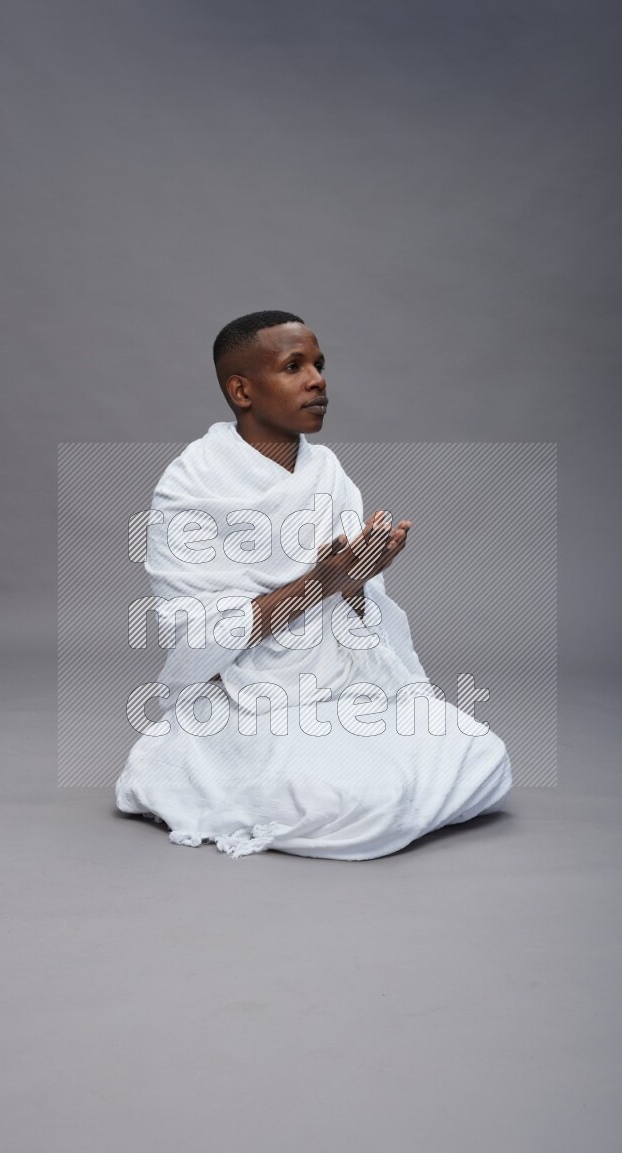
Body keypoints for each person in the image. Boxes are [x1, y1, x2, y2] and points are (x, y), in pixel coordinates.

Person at [115, 310, 513, 859]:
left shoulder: (327, 472)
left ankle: (368, 778)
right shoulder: (190, 488)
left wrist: (355, 582)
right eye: (294, 366)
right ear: (242, 390)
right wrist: (317, 585)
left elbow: (356, 609)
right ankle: (210, 764)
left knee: (482, 755)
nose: (318, 380)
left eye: (320, 365)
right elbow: (194, 641)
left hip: (343, 681)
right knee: (352, 802)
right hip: (247, 696)